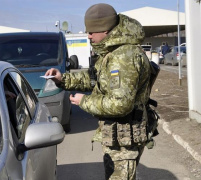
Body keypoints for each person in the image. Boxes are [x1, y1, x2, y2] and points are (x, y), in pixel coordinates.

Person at [45, 3, 152, 180]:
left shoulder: (123, 57)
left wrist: (84, 102)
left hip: (125, 141)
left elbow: (121, 104)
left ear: (107, 30)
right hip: (117, 138)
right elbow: (93, 78)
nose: (88, 36)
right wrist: (62, 79)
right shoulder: (110, 53)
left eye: (92, 31)